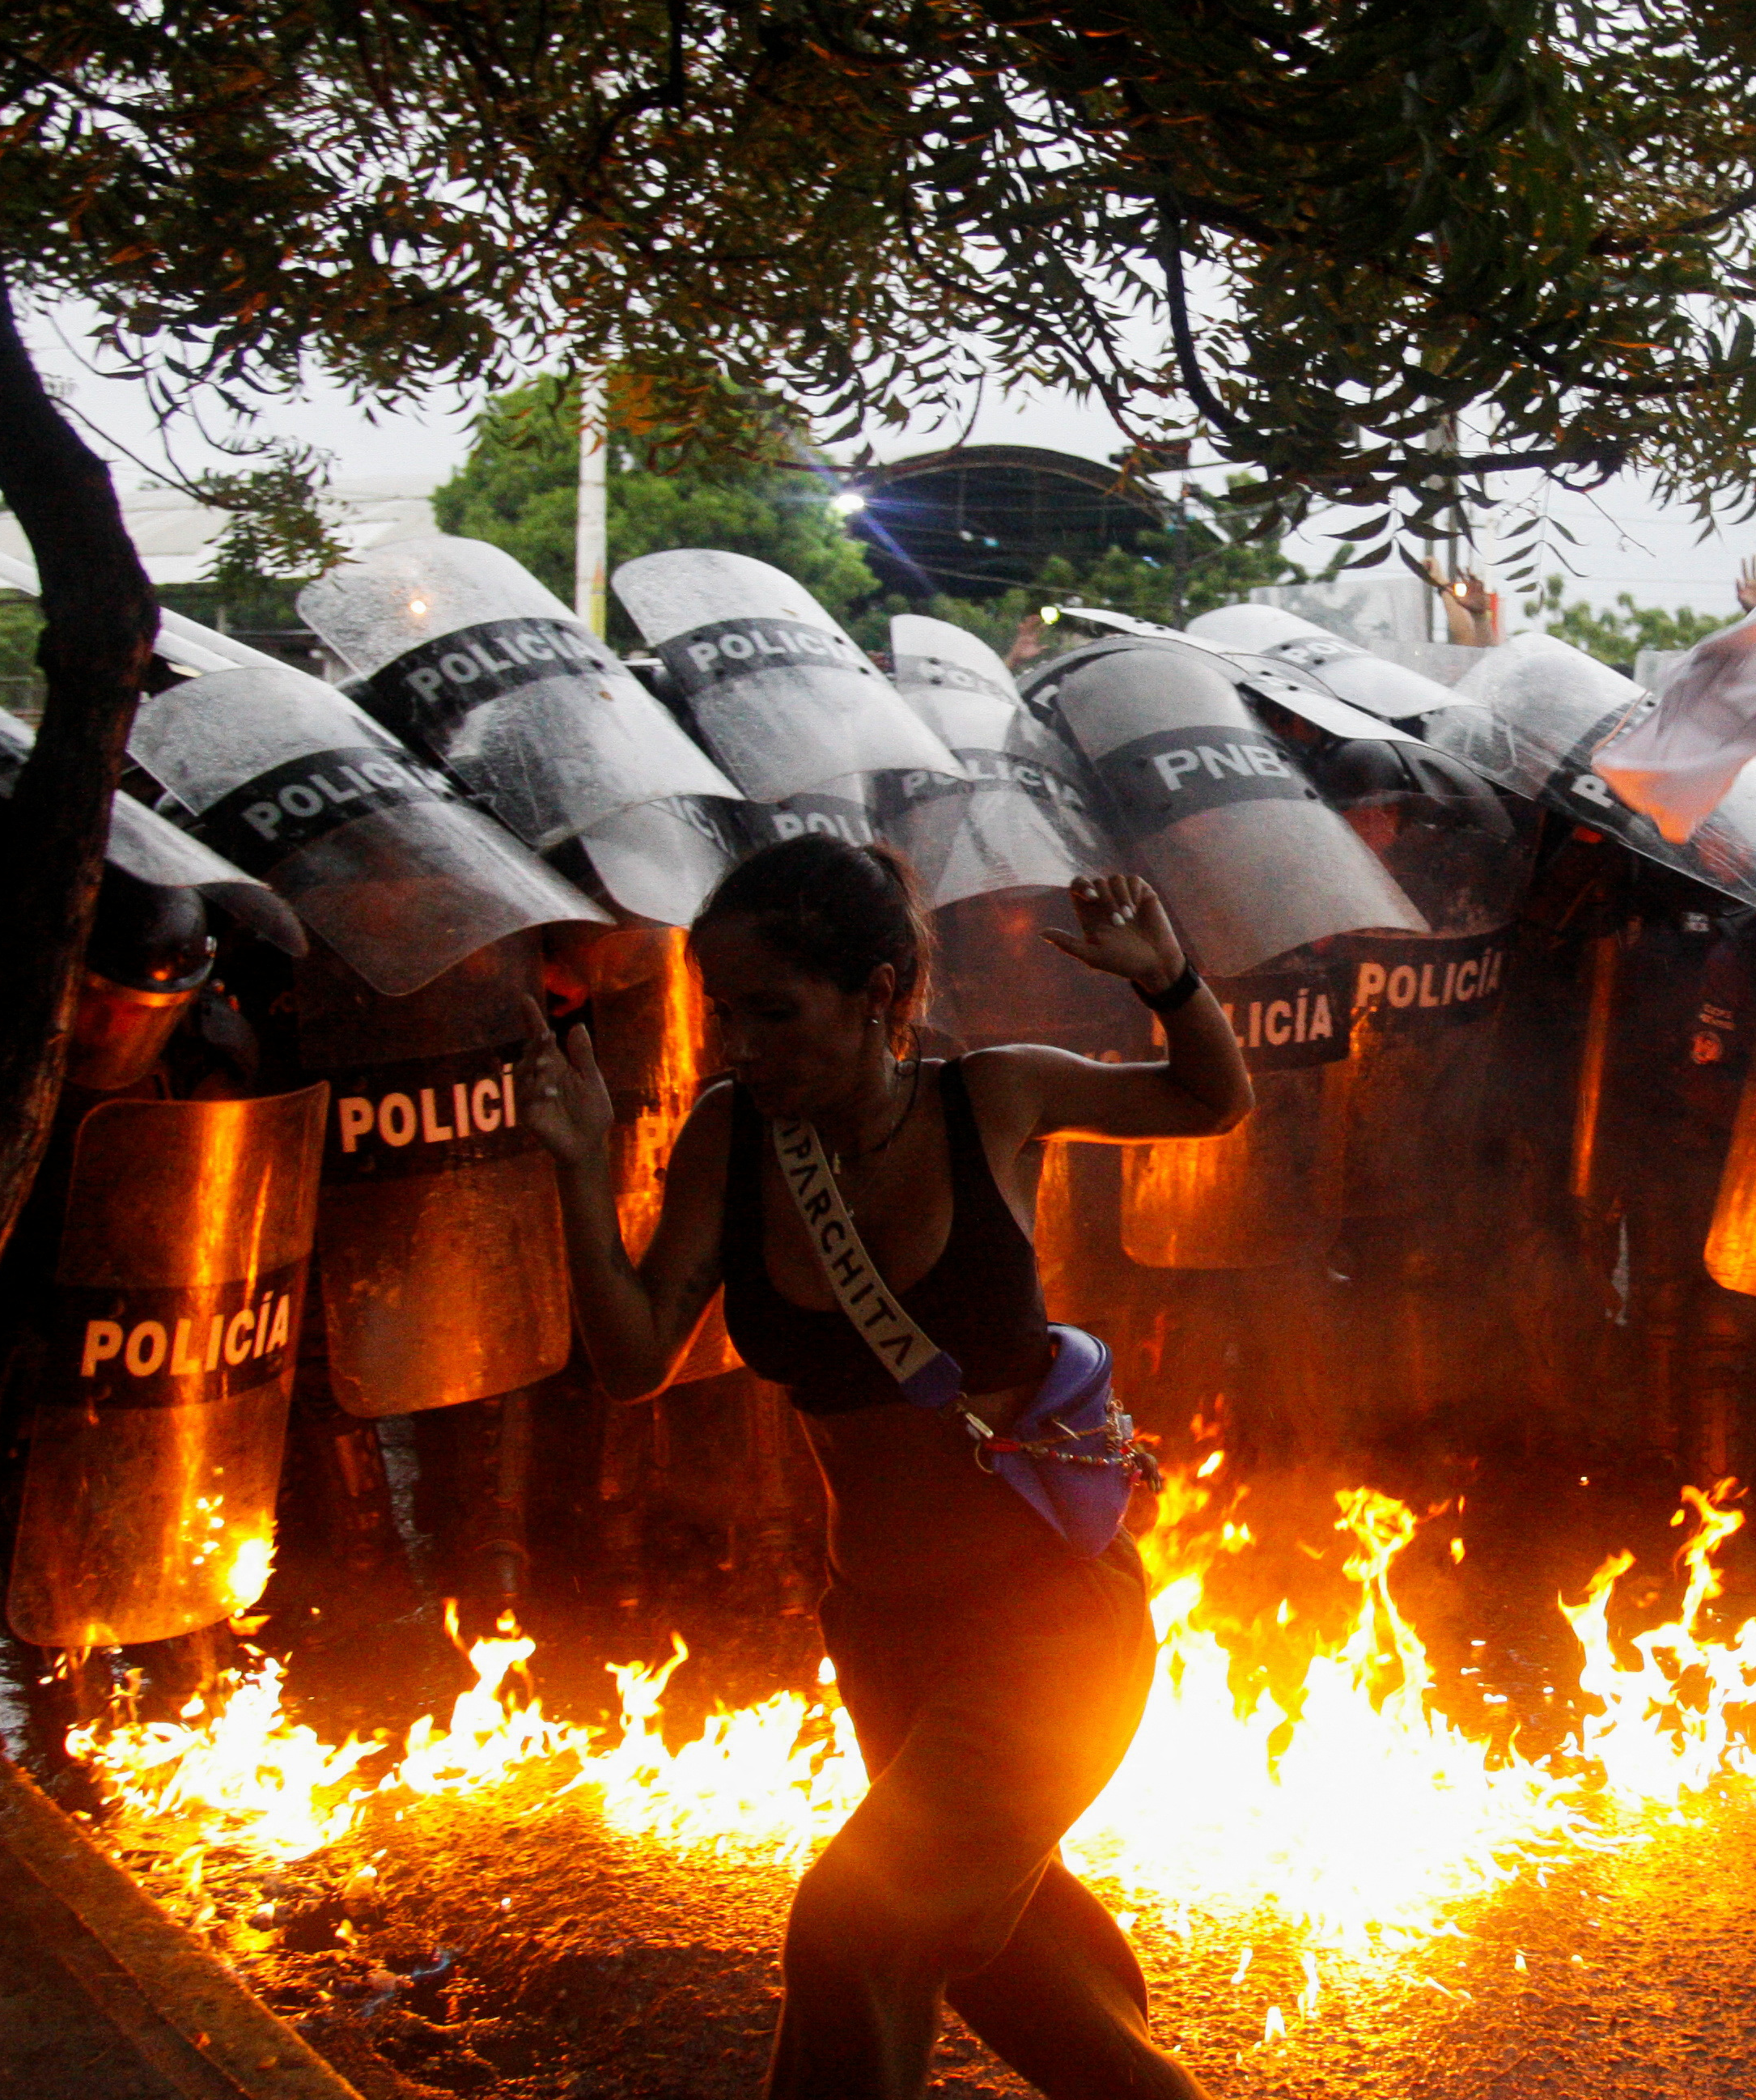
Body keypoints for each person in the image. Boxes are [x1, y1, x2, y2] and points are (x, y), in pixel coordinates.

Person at [525, 840, 1244, 2100]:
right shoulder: (731, 1137)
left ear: (878, 993)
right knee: (999, 1949)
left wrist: (1171, 981)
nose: (743, 1045)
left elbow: (1208, 1102)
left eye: (776, 1012)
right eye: (727, 1014)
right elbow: (633, 1358)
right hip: (883, 1636)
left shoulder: (996, 1098)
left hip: (1051, 1629)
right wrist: (583, 1171)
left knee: (855, 1922)